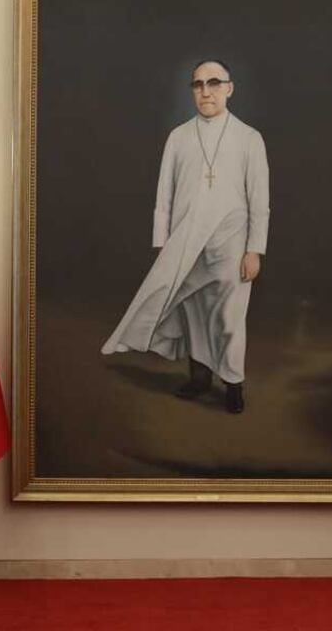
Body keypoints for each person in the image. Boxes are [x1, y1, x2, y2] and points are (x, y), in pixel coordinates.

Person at [101, 59, 270, 414]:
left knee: (228, 317)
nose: (205, 91)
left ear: (229, 88)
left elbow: (260, 200)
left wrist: (254, 249)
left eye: (213, 83)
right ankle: (199, 377)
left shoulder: (249, 138)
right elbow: (164, 193)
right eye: (197, 85)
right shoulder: (178, 137)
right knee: (192, 312)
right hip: (186, 240)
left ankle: (233, 383)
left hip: (231, 241)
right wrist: (162, 242)